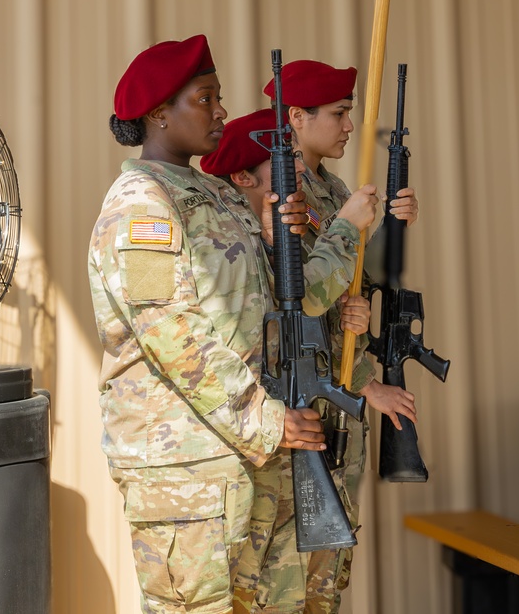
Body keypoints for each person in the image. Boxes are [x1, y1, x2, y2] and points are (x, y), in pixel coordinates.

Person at [88, 35, 328, 614]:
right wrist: (267, 420)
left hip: (245, 453)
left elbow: (255, 303)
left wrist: (276, 240)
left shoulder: (215, 193)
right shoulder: (142, 205)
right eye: (205, 97)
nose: (222, 111)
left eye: (218, 97)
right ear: (158, 114)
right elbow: (173, 333)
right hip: (185, 467)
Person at [200, 109, 378, 612]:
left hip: (293, 436)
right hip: (258, 447)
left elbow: (306, 314)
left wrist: (350, 316)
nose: (300, 177)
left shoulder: (277, 239)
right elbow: (305, 300)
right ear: (242, 178)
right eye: (285, 170)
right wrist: (345, 231)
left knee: (307, 591)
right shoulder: (229, 240)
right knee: (254, 593)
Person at [263, 59, 419, 614]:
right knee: (290, 577)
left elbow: (361, 280)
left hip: (342, 390)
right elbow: (305, 294)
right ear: (298, 117)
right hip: (309, 400)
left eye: (351, 113)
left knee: (328, 580)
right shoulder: (280, 189)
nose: (350, 126)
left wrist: (396, 222)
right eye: (339, 113)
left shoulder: (334, 188)